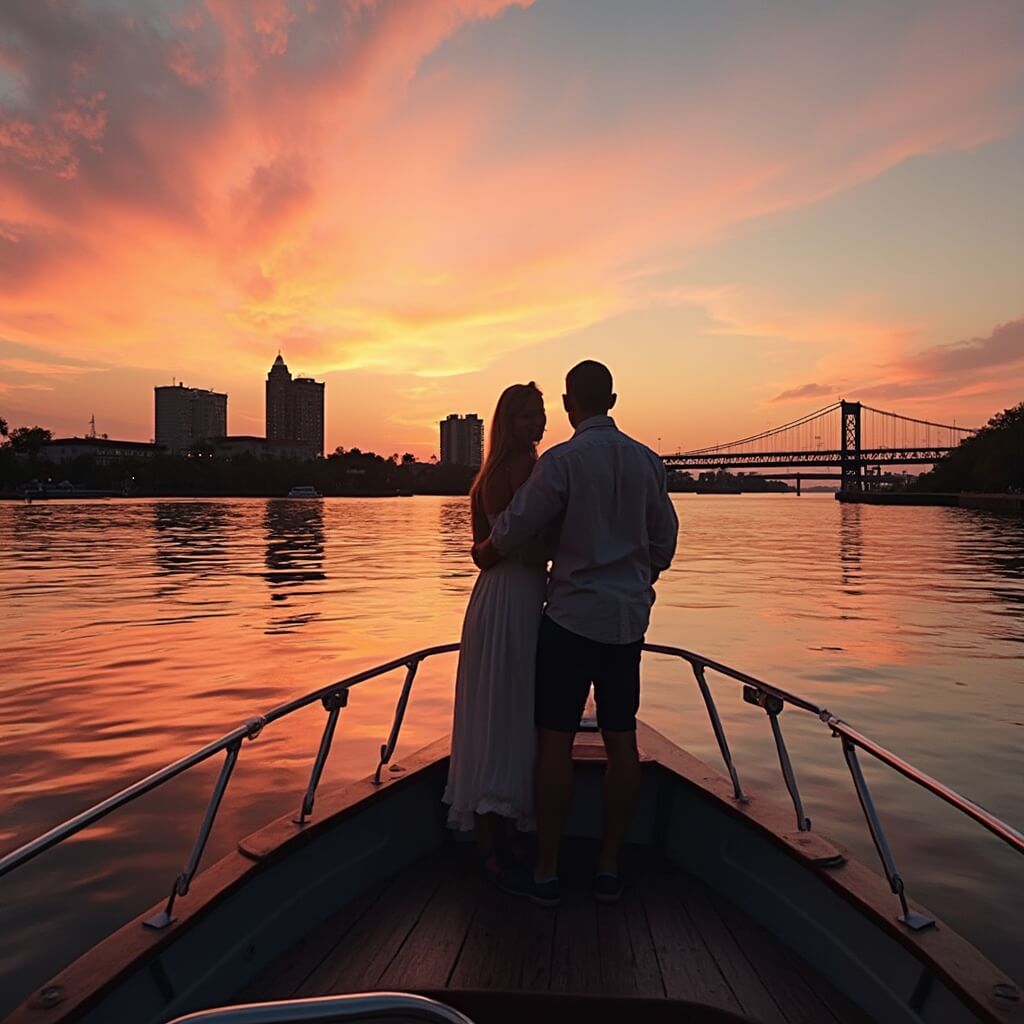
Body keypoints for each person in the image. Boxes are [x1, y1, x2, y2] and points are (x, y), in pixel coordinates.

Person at [473, 360, 678, 907]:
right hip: (626, 624)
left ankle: (546, 871)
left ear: (569, 404)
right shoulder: (647, 462)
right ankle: (609, 868)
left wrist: (483, 554)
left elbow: (514, 527)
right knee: (622, 741)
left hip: (568, 620)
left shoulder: (561, 462)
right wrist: (635, 580)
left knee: (556, 743)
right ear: (612, 398)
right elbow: (666, 543)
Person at [442, 382, 549, 880]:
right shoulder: (529, 470)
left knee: (490, 708)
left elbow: (480, 547)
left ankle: (491, 838)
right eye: (528, 415)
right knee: (514, 707)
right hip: (521, 597)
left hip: (487, 598)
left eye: (542, 413)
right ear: (509, 422)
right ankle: (504, 837)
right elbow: (528, 549)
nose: (539, 422)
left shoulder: (482, 478)